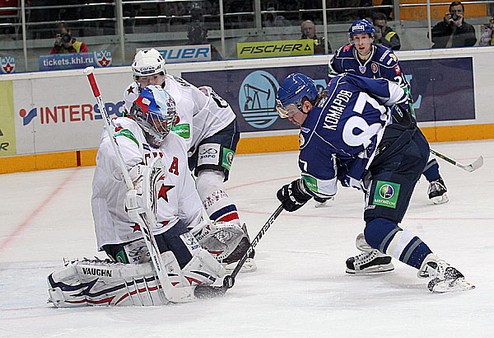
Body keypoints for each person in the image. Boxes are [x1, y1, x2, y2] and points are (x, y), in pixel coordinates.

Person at [274, 72, 475, 293]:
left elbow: (324, 190)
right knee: (365, 179)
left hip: (396, 165)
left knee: (377, 229)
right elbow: (396, 93)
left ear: (305, 105)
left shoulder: (313, 139)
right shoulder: (343, 81)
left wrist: (302, 189)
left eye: (289, 112)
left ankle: (442, 270)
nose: (288, 118)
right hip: (413, 138)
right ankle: (379, 256)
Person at [47, 86, 226, 307]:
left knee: (202, 272)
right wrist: (137, 173)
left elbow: (185, 194)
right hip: (123, 230)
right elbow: (116, 151)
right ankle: (85, 286)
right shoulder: (121, 130)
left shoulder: (175, 142)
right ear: (142, 115)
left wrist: (199, 228)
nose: (165, 128)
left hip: (166, 226)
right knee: (155, 277)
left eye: (169, 121)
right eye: (160, 121)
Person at [123, 49, 255, 272]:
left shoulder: (179, 100)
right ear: (135, 80)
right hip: (191, 135)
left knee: (205, 183)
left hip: (216, 128)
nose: (150, 83)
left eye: (155, 77)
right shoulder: (131, 94)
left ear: (163, 74)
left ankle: (238, 247)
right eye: (144, 79)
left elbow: (176, 151)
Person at [329, 19, 449, 205]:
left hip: (390, 104)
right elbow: (333, 79)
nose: (360, 43)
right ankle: (329, 185)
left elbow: (400, 90)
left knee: (411, 141)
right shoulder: (342, 56)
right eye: (356, 38)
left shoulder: (385, 58)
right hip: (361, 109)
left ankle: (435, 180)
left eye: (364, 38)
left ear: (371, 38)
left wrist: (402, 120)